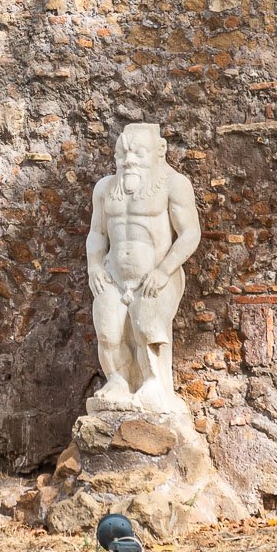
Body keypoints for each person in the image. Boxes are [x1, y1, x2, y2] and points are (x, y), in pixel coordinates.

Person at [85, 123, 200, 412]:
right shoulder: (105, 188)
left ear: (158, 152)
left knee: (148, 329)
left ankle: (154, 383)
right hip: (112, 276)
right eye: (123, 153)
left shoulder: (174, 184)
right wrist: (94, 267)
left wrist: (164, 271)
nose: (129, 160)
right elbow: (97, 233)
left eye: (138, 153)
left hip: (156, 276)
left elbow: (190, 234)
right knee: (108, 333)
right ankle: (118, 381)